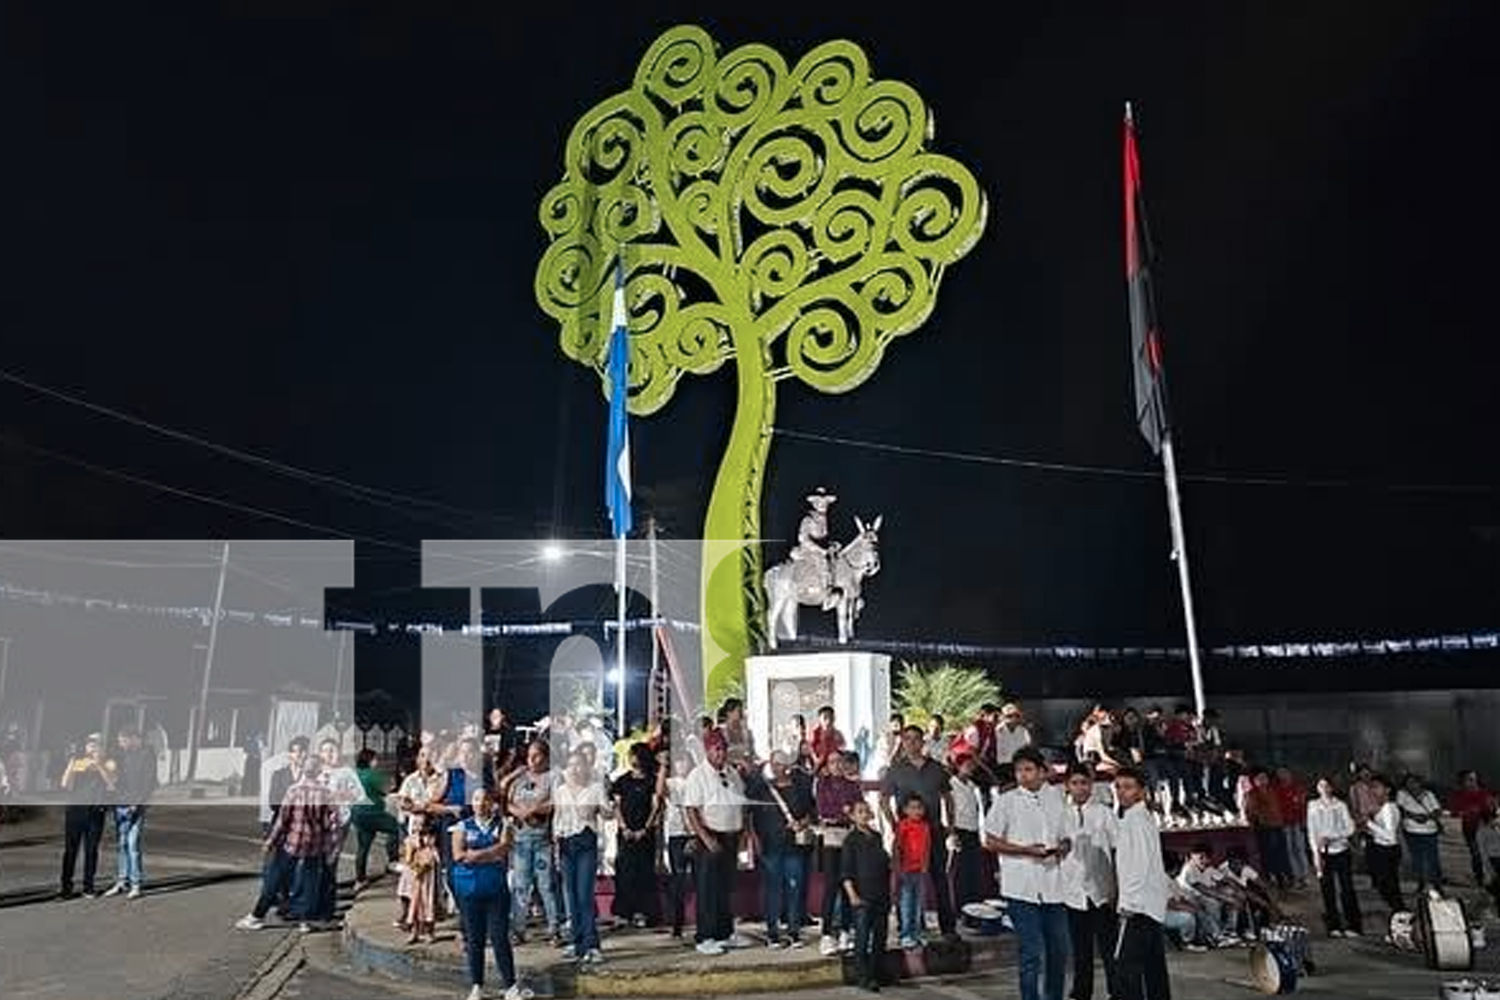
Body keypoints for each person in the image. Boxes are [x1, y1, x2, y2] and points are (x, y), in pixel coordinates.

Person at [984, 746, 1070, 1000]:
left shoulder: (1055, 797)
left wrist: (1063, 847)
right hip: (1021, 887)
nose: (1023, 775)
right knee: (1031, 951)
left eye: (1029, 769)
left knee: (1059, 950)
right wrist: (1025, 850)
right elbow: (989, 840)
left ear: (1042, 772)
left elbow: (1066, 836)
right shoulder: (1007, 801)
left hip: (1053, 885)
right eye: (1019, 770)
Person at [238, 756, 338, 932]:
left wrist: (271, 841)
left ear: (304, 769)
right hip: (314, 845)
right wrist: (329, 846)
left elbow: (282, 820)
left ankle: (256, 916)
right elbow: (332, 822)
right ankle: (304, 921)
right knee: (310, 882)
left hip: (292, 843)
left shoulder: (294, 790)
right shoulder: (325, 792)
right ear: (318, 772)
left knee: (275, 878)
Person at [451, 787, 531, 1000]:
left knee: (499, 938)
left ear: (492, 803)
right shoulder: (462, 826)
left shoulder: (503, 824)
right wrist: (489, 854)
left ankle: (510, 986)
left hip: (496, 890)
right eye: (477, 799)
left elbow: (505, 847)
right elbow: (458, 855)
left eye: (485, 799)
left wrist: (476, 854)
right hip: (469, 891)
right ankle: (477, 985)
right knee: (474, 939)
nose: (481, 803)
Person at [880, 725, 957, 939]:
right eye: (908, 739)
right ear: (902, 742)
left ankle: (948, 928)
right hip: (907, 835)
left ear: (923, 742)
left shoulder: (936, 768)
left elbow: (948, 798)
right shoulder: (895, 769)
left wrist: (950, 825)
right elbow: (884, 799)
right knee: (907, 883)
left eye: (916, 739)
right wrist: (894, 825)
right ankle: (908, 927)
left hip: (933, 831)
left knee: (940, 879)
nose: (912, 743)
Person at [684, 728, 748, 956]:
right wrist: (705, 838)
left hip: (731, 836)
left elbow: (742, 805)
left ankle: (725, 933)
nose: (721, 754)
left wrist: (742, 836)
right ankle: (705, 936)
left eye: (723, 749)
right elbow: (691, 811)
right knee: (707, 889)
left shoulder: (732, 773)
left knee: (725, 889)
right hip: (710, 836)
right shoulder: (697, 776)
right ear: (708, 751)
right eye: (717, 749)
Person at [1060, 763, 1119, 1000]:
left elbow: (1117, 847)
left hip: (1101, 889)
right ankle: (1081, 991)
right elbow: (1055, 847)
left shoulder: (1104, 812)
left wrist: (1117, 885)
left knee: (1108, 946)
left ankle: (1118, 990)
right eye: (1075, 783)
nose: (1080, 788)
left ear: (1091, 786)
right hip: (1073, 890)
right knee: (1080, 948)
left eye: (1084, 783)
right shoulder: (1061, 815)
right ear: (1067, 786)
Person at [1112, 766, 1171, 1000]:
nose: (1121, 792)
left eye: (1128, 787)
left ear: (1141, 791)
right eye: (1117, 787)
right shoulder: (1138, 818)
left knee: (1126, 966)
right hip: (1149, 905)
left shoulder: (1136, 821)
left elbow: (1140, 866)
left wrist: (1129, 903)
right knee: (1152, 964)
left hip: (1139, 907)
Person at [554, 749, 610, 964]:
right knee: (571, 895)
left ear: (587, 767)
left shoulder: (595, 788)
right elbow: (557, 818)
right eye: (571, 765)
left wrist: (598, 808)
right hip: (566, 842)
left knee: (585, 894)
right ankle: (576, 943)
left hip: (586, 841)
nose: (575, 769)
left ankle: (592, 944)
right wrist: (555, 844)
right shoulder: (560, 791)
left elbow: (607, 813)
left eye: (579, 764)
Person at [504, 740, 561, 946]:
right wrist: (517, 810)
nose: (532, 760)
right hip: (520, 838)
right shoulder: (520, 778)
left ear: (545, 757)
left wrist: (535, 809)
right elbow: (507, 800)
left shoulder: (553, 776)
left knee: (546, 885)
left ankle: (554, 927)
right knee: (520, 886)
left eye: (537, 756)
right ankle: (518, 929)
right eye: (529, 756)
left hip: (541, 838)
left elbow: (555, 802)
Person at [816, 749, 864, 955]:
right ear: (827, 765)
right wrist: (844, 811)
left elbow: (858, 808)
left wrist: (848, 813)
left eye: (840, 761)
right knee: (831, 886)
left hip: (849, 838)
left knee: (848, 885)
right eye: (832, 761)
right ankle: (827, 934)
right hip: (831, 839)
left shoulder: (852, 785)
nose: (837, 765)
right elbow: (824, 810)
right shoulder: (822, 784)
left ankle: (846, 930)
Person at [841, 799, 891, 993]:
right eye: (859, 811)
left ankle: (878, 972)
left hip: (881, 894)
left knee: (880, 937)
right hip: (862, 896)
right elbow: (846, 872)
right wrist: (852, 896)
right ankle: (863, 976)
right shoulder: (850, 840)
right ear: (852, 816)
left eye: (866, 810)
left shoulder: (877, 837)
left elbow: (884, 866)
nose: (864, 814)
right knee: (862, 938)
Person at [611, 742, 663, 929]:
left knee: (644, 873)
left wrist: (646, 828)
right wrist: (624, 827)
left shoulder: (651, 780)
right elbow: (616, 805)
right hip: (625, 833)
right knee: (624, 872)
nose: (633, 760)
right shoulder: (622, 781)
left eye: (636, 755)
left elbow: (656, 806)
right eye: (631, 756)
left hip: (645, 834)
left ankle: (643, 911)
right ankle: (622, 912)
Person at [59, 733, 115, 899]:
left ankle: (88, 887)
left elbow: (112, 784)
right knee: (70, 850)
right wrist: (71, 765)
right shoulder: (78, 762)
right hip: (75, 811)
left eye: (97, 744)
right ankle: (66, 888)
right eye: (90, 744)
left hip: (95, 812)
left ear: (103, 747)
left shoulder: (109, 763)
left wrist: (99, 765)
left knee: (91, 850)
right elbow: (65, 785)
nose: (93, 747)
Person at [1306, 777, 1362, 938]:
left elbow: (1350, 828)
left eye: (1326, 785)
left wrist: (1333, 837)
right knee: (1327, 890)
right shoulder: (1313, 806)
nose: (1324, 788)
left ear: (1332, 788)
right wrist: (1315, 854)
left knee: (1347, 888)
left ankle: (1354, 925)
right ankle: (1333, 925)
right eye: (1320, 785)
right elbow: (1312, 831)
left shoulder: (1340, 805)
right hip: (1323, 853)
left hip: (1341, 851)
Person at [104, 727, 157, 899]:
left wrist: (137, 802)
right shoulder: (120, 755)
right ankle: (121, 881)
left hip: (135, 805)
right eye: (119, 741)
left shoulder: (147, 755)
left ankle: (136, 884)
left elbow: (150, 781)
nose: (120, 744)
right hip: (120, 803)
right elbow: (114, 775)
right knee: (122, 844)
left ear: (132, 739)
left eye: (122, 741)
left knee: (133, 845)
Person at [351, 749, 402, 893]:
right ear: (369, 760)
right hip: (373, 812)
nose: (377, 762)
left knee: (363, 847)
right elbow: (387, 790)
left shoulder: (355, 775)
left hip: (358, 814)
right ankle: (392, 861)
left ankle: (360, 879)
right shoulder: (372, 775)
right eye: (375, 759)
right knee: (395, 828)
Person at [662, 753, 694, 939]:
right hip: (676, 835)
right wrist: (663, 767)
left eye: (684, 760)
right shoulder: (671, 782)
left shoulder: (695, 781)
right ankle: (677, 924)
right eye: (678, 761)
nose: (681, 764)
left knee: (699, 878)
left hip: (694, 834)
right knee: (678, 879)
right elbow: (660, 791)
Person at [894, 794, 932, 949]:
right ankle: (905, 934)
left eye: (919, 808)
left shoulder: (925, 826)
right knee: (906, 903)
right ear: (905, 810)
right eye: (912, 808)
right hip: (906, 871)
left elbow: (927, 847)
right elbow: (897, 847)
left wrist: (925, 866)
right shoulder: (903, 825)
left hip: (921, 871)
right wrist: (898, 868)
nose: (916, 811)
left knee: (918, 905)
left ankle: (916, 933)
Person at [949, 752, 986, 909]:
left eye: (972, 766)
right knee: (960, 872)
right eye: (967, 765)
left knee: (974, 871)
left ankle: (973, 906)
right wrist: (952, 832)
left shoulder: (973, 786)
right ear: (958, 767)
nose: (971, 768)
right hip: (959, 829)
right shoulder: (951, 784)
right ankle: (960, 907)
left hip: (973, 830)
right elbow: (950, 809)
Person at [1396, 773, 1444, 891]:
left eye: (1414, 782)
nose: (1411, 785)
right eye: (1408, 782)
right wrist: (1414, 816)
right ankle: (1421, 882)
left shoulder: (1428, 794)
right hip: (1411, 831)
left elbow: (1437, 810)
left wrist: (1426, 817)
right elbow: (1399, 810)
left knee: (1433, 859)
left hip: (1430, 831)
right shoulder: (1402, 794)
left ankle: (1436, 883)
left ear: (1420, 783)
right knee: (1417, 859)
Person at [1243, 769, 1290, 888]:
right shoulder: (1251, 794)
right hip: (1263, 827)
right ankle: (1270, 876)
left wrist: (1281, 820)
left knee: (1280, 852)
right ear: (1254, 781)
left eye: (1265, 778)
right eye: (1260, 778)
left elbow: (1279, 808)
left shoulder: (1273, 791)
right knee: (1267, 853)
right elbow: (1251, 812)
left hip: (1277, 825)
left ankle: (1282, 877)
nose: (1263, 780)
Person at [1364, 774, 1405, 913]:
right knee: (1388, 887)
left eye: (1377, 787)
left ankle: (1401, 914)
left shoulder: (1388, 808)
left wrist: (1369, 823)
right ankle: (1399, 913)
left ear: (1387, 789)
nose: (1373, 790)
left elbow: (1390, 836)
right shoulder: (1383, 807)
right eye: (1372, 787)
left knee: (1389, 888)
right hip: (1383, 849)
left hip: (1387, 851)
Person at [1448, 770, 1495, 885]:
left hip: (1487, 827)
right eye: (1470, 779)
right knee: (1476, 854)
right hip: (1471, 828)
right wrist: (1467, 811)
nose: (1473, 781)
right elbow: (1454, 812)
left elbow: (1491, 811)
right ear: (1463, 781)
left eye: (1474, 778)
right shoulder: (1458, 794)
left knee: (1492, 854)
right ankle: (1480, 879)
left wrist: (1489, 807)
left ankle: (1493, 879)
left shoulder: (1484, 793)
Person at [1273, 767, 1311, 888]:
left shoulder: (1297, 787)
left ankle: (1305, 875)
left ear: (1290, 774)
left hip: (1297, 822)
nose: (1283, 775)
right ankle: (1296, 876)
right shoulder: (1276, 789)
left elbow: (1302, 805)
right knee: (1289, 850)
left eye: (1285, 773)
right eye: (1280, 773)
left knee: (1300, 848)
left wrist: (1304, 820)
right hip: (1284, 823)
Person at [809, 705, 846, 776]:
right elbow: (811, 750)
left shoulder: (837, 734)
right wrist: (817, 761)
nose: (828, 721)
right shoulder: (815, 733)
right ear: (819, 719)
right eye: (825, 718)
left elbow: (842, 749)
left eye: (831, 717)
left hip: (834, 766)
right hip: (819, 765)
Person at [1477, 806, 1500, 910]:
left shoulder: (1496, 829)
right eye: (1496, 818)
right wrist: (1487, 871)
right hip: (1494, 861)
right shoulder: (1482, 832)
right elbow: (1483, 853)